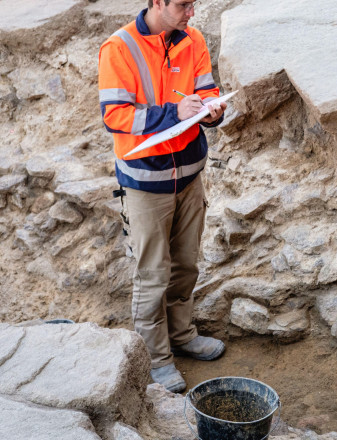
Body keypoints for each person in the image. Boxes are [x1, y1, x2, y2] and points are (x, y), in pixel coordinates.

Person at [98, 0, 228, 393]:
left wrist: (212, 110)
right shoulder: (118, 48)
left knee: (186, 264)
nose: (192, 12)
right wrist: (173, 111)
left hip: (189, 175)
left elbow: (207, 89)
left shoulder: (193, 39)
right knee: (153, 272)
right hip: (145, 181)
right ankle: (155, 359)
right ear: (157, 2)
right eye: (184, 5)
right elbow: (115, 115)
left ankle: (183, 335)